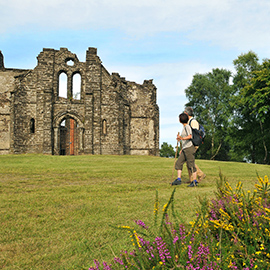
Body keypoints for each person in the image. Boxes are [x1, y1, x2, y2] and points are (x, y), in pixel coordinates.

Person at [171, 113, 198, 187]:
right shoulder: (184, 127)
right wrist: (182, 148)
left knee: (191, 165)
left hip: (189, 148)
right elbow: (185, 138)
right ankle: (178, 179)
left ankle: (195, 181)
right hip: (185, 148)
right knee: (179, 163)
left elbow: (190, 136)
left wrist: (182, 138)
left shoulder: (187, 127)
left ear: (180, 120)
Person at [184, 107, 206, 183]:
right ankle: (192, 179)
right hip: (189, 143)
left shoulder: (193, 121)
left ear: (186, 113)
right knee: (188, 161)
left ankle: (200, 174)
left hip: (193, 143)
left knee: (189, 161)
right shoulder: (189, 121)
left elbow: (195, 134)